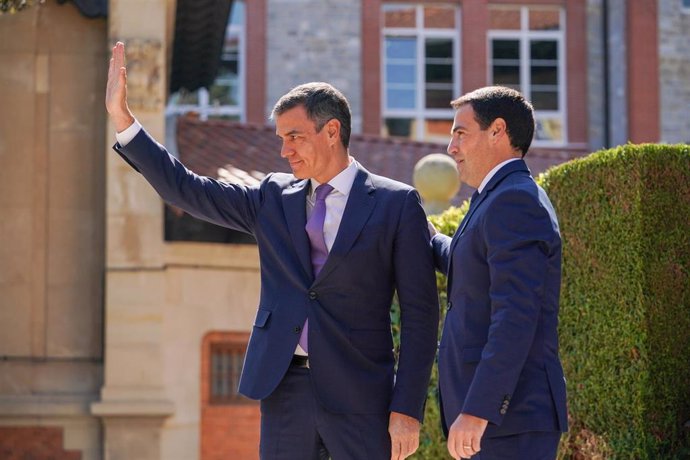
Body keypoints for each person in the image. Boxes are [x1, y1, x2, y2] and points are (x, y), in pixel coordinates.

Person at [106, 42, 439, 460]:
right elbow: (187, 189)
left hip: (362, 395)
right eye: (282, 138)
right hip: (285, 389)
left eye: (295, 136)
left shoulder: (396, 204)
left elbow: (421, 315)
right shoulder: (272, 198)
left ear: (332, 131)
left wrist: (406, 409)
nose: (285, 151)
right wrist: (125, 121)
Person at [429, 86, 568, 459]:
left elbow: (516, 316)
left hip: (509, 423)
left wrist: (478, 410)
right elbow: (471, 265)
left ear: (498, 131)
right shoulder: (497, 197)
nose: (451, 147)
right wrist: (427, 235)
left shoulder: (515, 200)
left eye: (461, 133)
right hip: (497, 425)